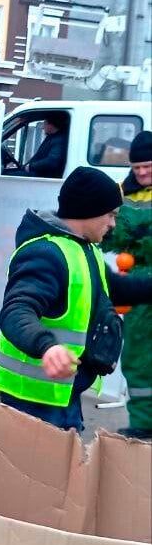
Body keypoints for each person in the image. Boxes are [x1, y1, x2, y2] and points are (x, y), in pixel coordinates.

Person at [0, 167, 152, 431]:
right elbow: (16, 310)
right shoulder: (46, 253)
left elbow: (117, 289)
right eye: (111, 215)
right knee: (39, 470)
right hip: (34, 399)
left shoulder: (83, 248)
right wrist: (47, 346)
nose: (113, 224)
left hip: (63, 393)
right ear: (89, 211)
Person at [114, 131, 152, 439]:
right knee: (137, 355)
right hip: (137, 282)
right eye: (137, 167)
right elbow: (111, 233)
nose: (141, 173)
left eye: (148, 166)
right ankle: (142, 423)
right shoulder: (122, 193)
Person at [4, 113, 68, 179]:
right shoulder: (52, 137)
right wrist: (25, 166)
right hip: (39, 173)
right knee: (8, 172)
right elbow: (38, 156)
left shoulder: (59, 140)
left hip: (44, 176)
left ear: (51, 125)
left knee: (4, 175)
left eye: (45, 123)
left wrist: (31, 166)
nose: (43, 127)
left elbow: (52, 161)